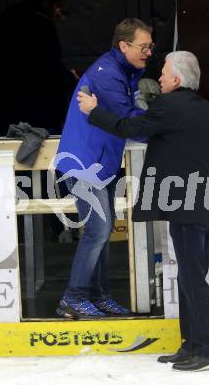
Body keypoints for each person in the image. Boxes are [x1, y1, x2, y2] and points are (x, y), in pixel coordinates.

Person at [77, 51, 209, 371]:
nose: (158, 78)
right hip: (205, 202)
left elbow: (127, 126)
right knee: (192, 276)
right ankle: (191, 344)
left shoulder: (168, 106)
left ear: (176, 80)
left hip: (182, 204)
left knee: (192, 278)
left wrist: (94, 111)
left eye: (163, 73)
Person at [55, 18, 154, 318]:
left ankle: (99, 297)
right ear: (123, 46)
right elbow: (127, 122)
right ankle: (73, 298)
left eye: (151, 46)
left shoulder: (125, 71)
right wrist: (165, 128)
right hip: (84, 164)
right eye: (144, 46)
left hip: (102, 163)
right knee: (98, 230)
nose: (149, 52)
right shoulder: (106, 74)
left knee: (103, 228)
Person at [0, 0, 75, 137]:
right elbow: (48, 68)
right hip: (38, 110)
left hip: (7, 107)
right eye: (58, 6)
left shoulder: (8, 16)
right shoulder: (42, 24)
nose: (59, 12)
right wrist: (70, 78)